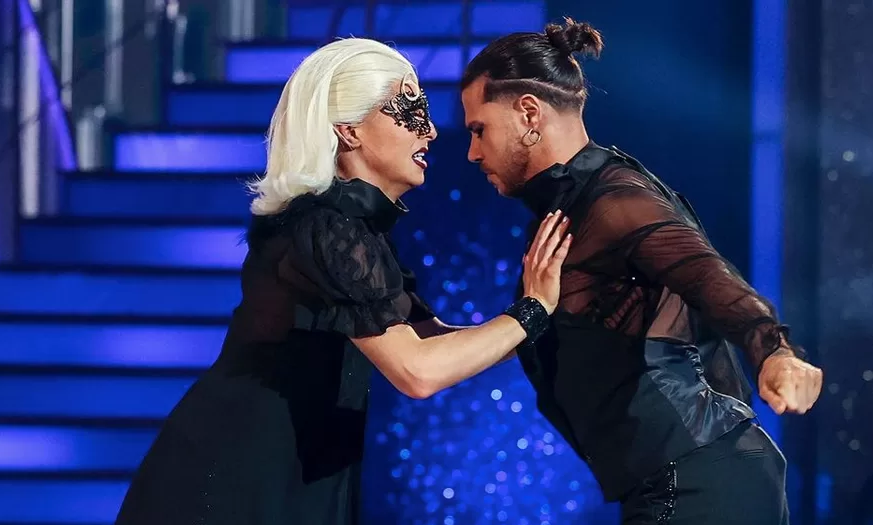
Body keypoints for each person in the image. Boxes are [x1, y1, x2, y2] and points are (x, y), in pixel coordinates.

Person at [114, 38, 572, 525]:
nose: (432, 132)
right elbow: (417, 371)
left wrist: (543, 317)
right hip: (235, 480)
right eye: (407, 110)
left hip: (292, 470)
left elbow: (431, 339)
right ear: (349, 130)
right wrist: (531, 310)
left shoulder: (351, 229)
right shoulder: (325, 227)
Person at [460, 18, 824, 525]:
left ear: (528, 112)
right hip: (678, 479)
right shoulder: (566, 214)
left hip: (700, 479)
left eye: (479, 129)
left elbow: (707, 277)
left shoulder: (614, 199)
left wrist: (774, 350)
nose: (473, 152)